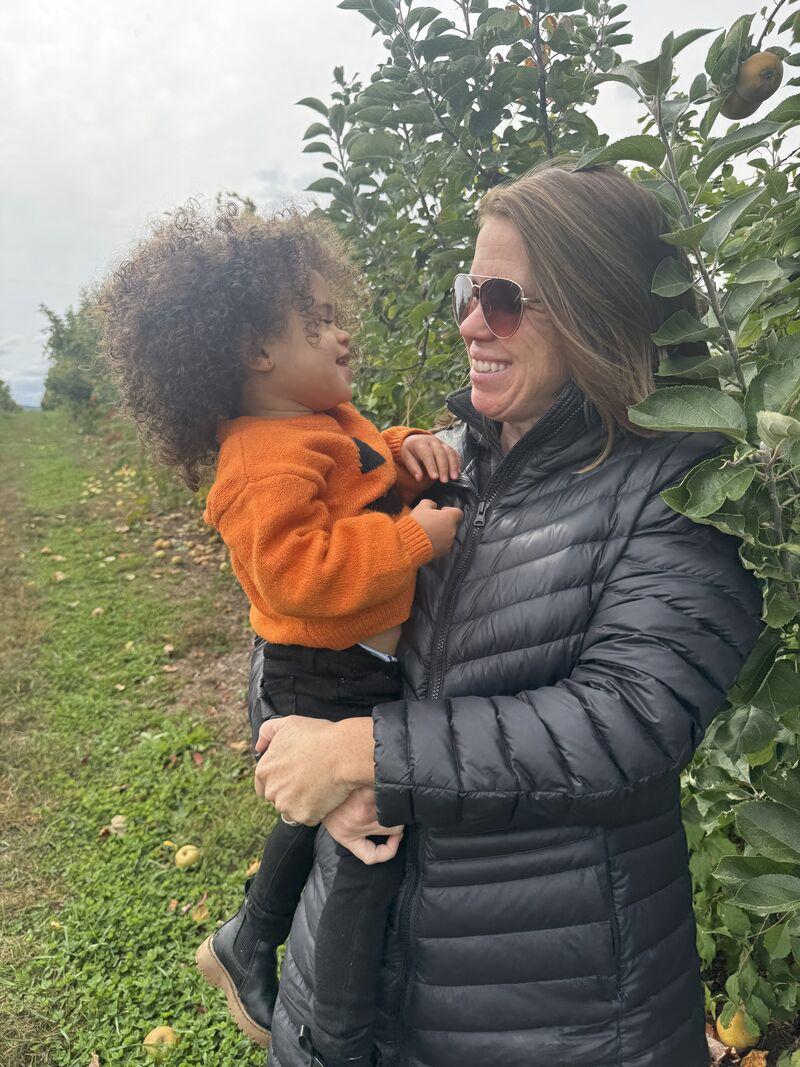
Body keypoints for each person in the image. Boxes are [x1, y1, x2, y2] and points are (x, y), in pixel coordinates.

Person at [250, 160, 764, 1067]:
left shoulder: (679, 486)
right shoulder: (433, 462)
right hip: (351, 983)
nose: (470, 323)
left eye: (503, 300)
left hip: (554, 1008)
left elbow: (630, 721)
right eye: (468, 291)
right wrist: (302, 752)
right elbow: (293, 618)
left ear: (598, 310)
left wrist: (365, 753)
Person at [94, 202, 463, 1067]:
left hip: (355, 664)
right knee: (356, 834)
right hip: (320, 670)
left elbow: (365, 467)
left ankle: (259, 944)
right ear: (258, 350)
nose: (343, 334)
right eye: (318, 320)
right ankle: (301, 996)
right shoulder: (261, 461)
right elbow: (299, 571)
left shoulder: (323, 422)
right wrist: (413, 540)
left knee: (342, 817)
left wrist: (410, 446)